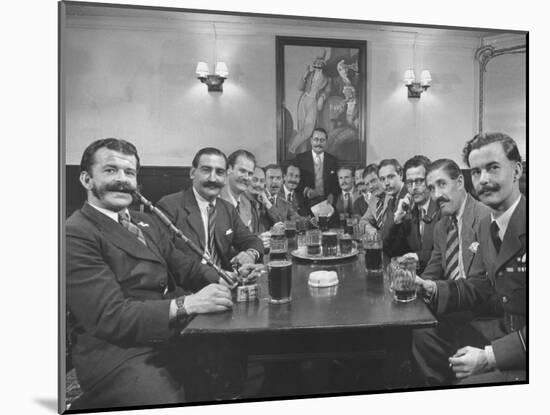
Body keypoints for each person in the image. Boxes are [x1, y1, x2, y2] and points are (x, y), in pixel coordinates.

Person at [66, 138, 238, 409]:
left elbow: (184, 265)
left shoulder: (143, 220)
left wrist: (224, 278)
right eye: (110, 170)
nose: (122, 180)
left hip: (169, 333)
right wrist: (188, 303)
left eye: (129, 172)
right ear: (87, 179)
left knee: (238, 360)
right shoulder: (74, 233)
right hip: (119, 351)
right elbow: (111, 317)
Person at [414, 133, 526, 385]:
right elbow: (482, 284)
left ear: (517, 170)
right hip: (496, 327)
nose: (484, 180)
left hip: (521, 347)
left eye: (493, 168)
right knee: (422, 335)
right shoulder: (490, 224)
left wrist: (489, 356)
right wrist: (430, 287)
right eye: (476, 172)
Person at [156, 147, 263, 271]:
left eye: (219, 172)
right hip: (190, 286)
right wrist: (215, 278)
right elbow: (169, 257)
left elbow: (252, 240)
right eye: (206, 170)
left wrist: (250, 254)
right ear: (192, 173)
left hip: (226, 280)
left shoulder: (227, 209)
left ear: (225, 177)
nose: (213, 178)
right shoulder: (170, 206)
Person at [420, 158, 490, 281]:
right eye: (431, 189)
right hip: (449, 295)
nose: (436, 195)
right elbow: (433, 269)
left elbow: (482, 282)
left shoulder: (486, 218)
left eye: (442, 184)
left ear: (459, 182)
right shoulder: (440, 227)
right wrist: (419, 286)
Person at [383, 155, 440, 273]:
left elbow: (445, 253)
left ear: (430, 180)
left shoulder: (442, 208)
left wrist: (417, 257)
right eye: (409, 182)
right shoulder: (409, 211)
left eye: (419, 181)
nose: (414, 188)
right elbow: (391, 251)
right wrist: (397, 221)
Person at [289, 50, 331, 154]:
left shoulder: (326, 79)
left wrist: (322, 97)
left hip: (313, 102)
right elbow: (300, 88)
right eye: (316, 63)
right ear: (314, 64)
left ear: (323, 64)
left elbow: (327, 91)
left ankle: (293, 147)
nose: (318, 65)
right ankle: (296, 148)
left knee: (308, 129)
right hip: (304, 100)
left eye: (320, 63)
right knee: (301, 127)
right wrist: (304, 76)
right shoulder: (309, 74)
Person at [361, 158, 407, 240]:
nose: (371, 186)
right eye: (367, 184)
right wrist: (368, 228)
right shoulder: (373, 199)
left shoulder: (393, 195)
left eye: (373, 181)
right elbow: (363, 220)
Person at [295, 127, 340, 210]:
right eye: (316, 139)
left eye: (322, 140)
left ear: (326, 142)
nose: (319, 143)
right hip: (305, 203)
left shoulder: (333, 160)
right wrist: (306, 190)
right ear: (311, 141)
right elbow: (294, 181)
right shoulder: (300, 159)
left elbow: (336, 183)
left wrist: (332, 194)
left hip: (327, 204)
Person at [220, 150, 256, 232]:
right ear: (229, 169)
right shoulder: (216, 200)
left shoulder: (246, 203)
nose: (246, 177)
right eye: (242, 171)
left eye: (250, 174)